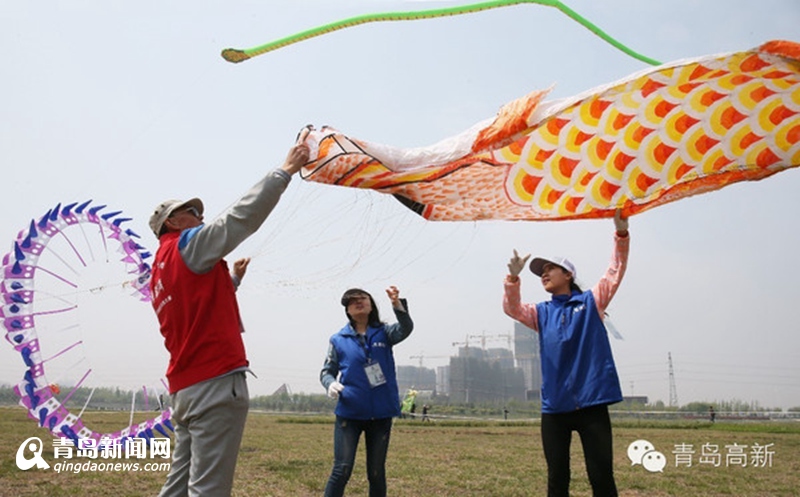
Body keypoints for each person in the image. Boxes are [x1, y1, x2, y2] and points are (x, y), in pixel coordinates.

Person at [148, 129, 310, 497]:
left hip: (185, 389)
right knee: (208, 490)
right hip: (215, 384)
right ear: (173, 223)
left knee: (177, 487)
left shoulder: (159, 269)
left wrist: (232, 280)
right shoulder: (187, 245)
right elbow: (237, 220)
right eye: (193, 212)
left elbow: (193, 308)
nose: (201, 217)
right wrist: (284, 171)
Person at [503, 209, 629, 497]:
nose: (544, 274)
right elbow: (512, 308)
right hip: (555, 408)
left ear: (568, 274)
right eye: (540, 272)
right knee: (557, 479)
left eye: (550, 269)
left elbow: (615, 271)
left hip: (592, 405)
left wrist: (621, 235)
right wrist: (512, 278)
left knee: (601, 477)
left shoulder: (591, 302)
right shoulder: (541, 313)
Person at [320, 286, 413, 497]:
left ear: (372, 305)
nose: (358, 301)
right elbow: (326, 372)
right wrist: (330, 384)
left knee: (376, 472)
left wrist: (397, 305)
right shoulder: (338, 339)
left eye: (363, 298)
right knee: (341, 469)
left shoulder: (385, 333)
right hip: (349, 413)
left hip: (381, 414)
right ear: (347, 310)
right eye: (353, 301)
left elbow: (406, 328)